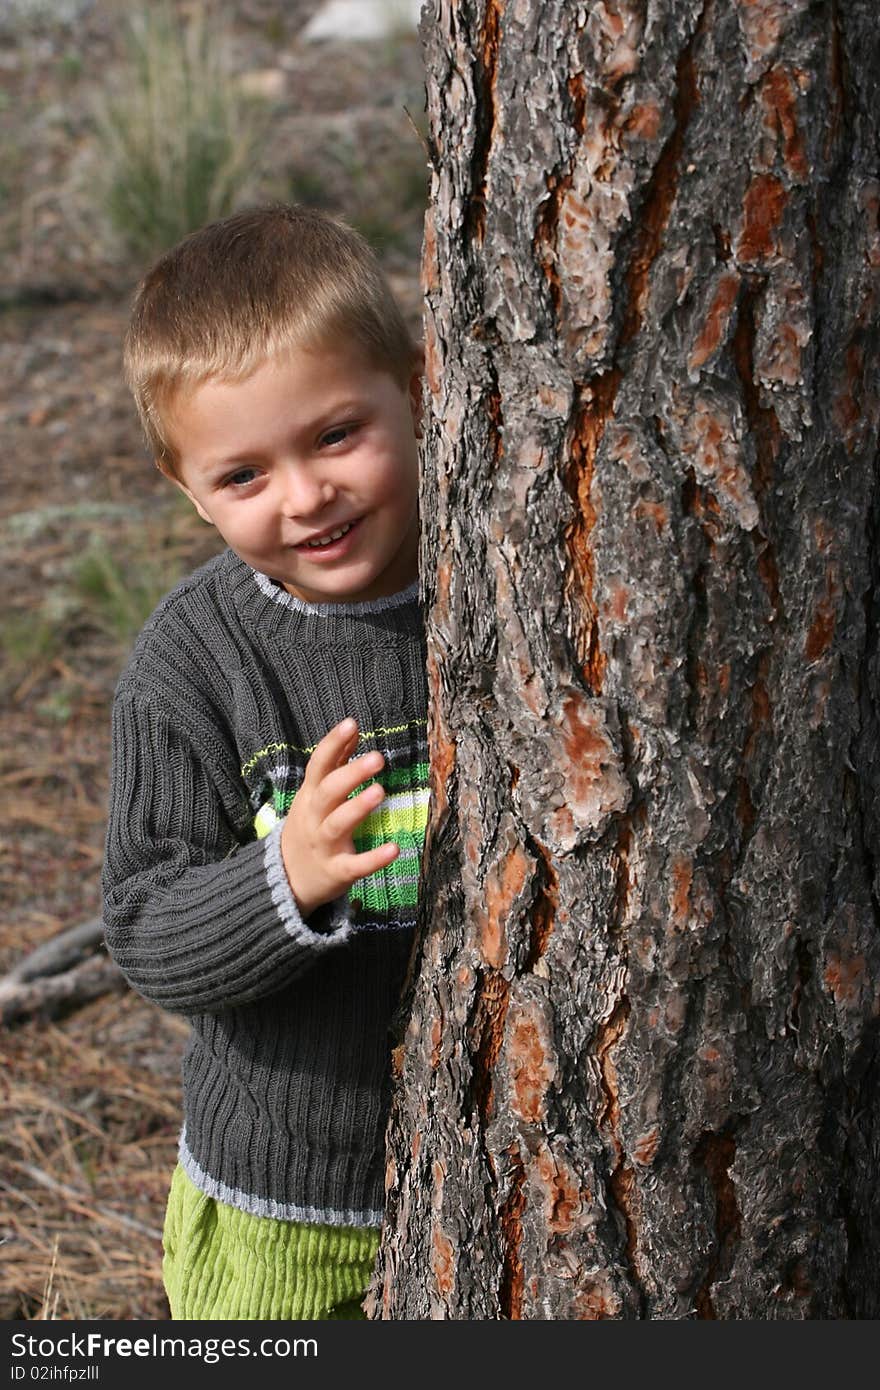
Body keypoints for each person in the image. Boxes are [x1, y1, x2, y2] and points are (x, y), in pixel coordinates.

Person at [101, 204, 429, 1320]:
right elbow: (145, 925)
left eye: (338, 434)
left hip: (506, 1159)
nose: (305, 496)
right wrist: (278, 876)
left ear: (421, 386)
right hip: (286, 1203)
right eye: (244, 475)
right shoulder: (193, 663)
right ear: (184, 485)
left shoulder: (503, 579)